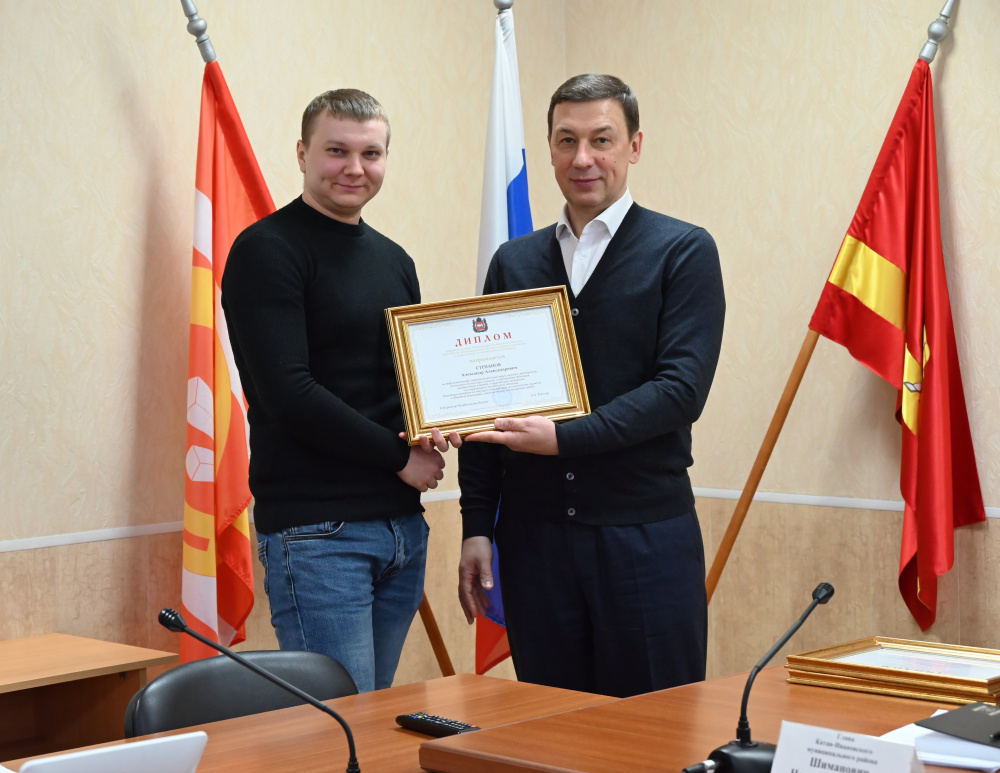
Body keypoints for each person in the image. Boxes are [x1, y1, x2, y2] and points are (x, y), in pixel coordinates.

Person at [457, 73, 725, 698]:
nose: (583, 158)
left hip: (645, 541)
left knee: (654, 731)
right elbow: (485, 401)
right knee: (550, 728)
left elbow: (680, 390)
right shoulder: (513, 263)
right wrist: (475, 525)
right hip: (534, 545)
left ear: (634, 146)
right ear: (549, 150)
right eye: (566, 140)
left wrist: (563, 438)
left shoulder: (682, 251)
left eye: (601, 139)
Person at [222, 89, 456, 693]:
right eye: (336, 151)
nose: (355, 168)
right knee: (336, 727)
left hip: (401, 527)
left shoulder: (394, 260)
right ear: (302, 154)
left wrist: (443, 416)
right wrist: (400, 457)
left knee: (369, 720)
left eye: (370, 153)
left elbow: (405, 381)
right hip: (318, 532)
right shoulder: (266, 251)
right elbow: (290, 393)